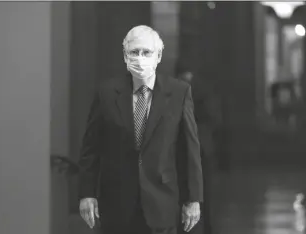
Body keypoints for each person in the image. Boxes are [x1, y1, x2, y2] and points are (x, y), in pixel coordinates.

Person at [78, 25, 204, 234]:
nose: (140, 58)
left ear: (159, 55)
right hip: (117, 203)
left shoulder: (179, 93)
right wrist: (86, 193)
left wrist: (193, 199)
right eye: (134, 52)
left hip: (162, 201)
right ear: (125, 56)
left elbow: (190, 150)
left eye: (146, 52)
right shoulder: (107, 93)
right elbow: (91, 148)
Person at [176, 67, 223, 234]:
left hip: (197, 150)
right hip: (197, 149)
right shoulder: (201, 93)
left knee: (202, 195)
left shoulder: (179, 93)